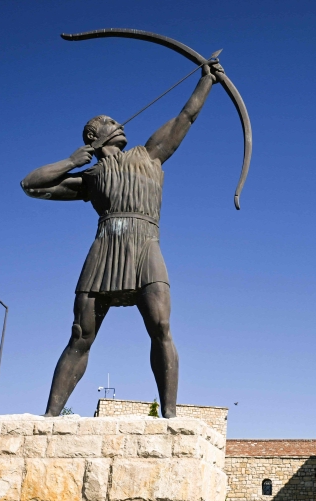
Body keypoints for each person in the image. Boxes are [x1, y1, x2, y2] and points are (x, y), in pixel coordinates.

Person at [20, 60, 225, 418]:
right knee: (80, 336)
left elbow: (185, 118)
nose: (121, 125)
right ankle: (50, 418)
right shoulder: (90, 177)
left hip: (146, 245)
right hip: (105, 252)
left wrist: (206, 81)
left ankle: (170, 416)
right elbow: (31, 184)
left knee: (161, 326)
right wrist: (71, 161)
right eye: (112, 123)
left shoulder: (150, 155)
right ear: (94, 135)